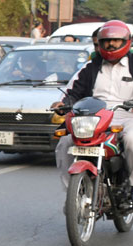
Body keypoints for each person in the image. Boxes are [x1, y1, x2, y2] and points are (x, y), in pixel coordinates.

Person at [53, 20, 133, 191]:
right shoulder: (91, 67)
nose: (111, 44)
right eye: (106, 41)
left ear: (127, 41)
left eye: (116, 40)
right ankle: (73, 195)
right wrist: (64, 104)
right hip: (94, 120)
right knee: (66, 142)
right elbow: (74, 93)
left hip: (127, 118)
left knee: (131, 140)